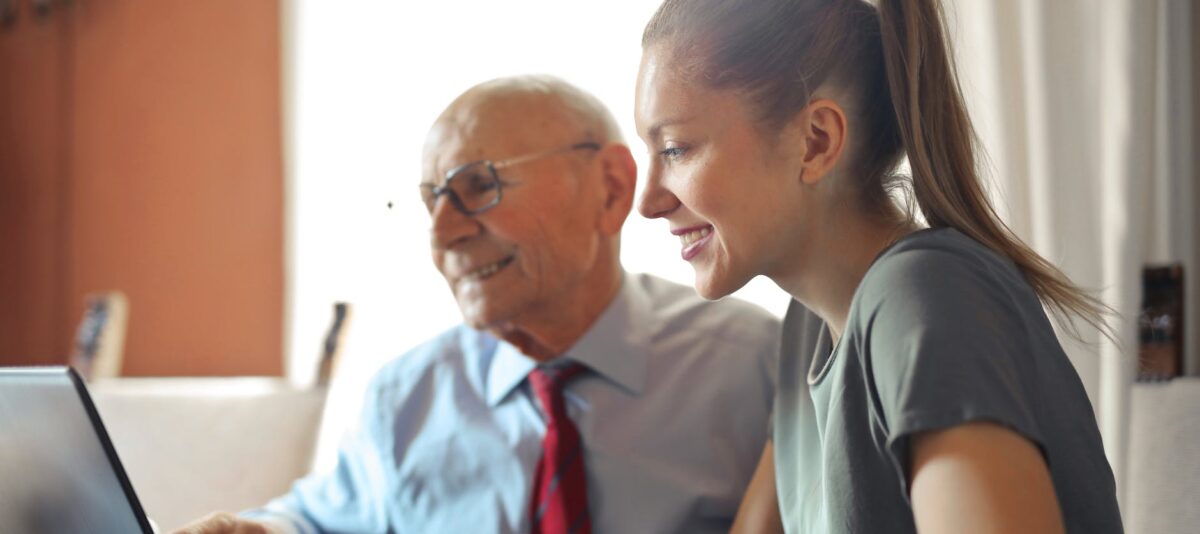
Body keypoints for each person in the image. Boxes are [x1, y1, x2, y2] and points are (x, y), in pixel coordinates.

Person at [176, 75, 780, 534]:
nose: (442, 233)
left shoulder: (759, 368)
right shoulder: (406, 398)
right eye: (431, 201)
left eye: (478, 186)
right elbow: (316, 520)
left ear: (611, 189)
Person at [634, 0, 1123, 532]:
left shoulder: (926, 297)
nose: (649, 200)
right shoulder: (809, 329)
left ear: (815, 140)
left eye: (676, 149)